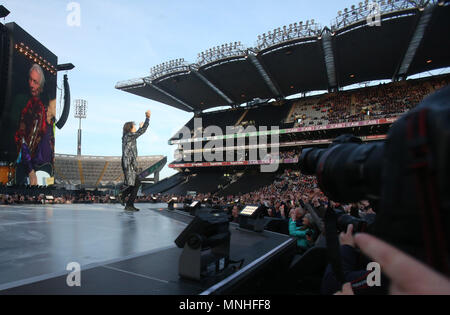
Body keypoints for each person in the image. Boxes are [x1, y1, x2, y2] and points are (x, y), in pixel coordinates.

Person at [14, 64, 54, 186]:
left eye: (35, 82)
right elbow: (22, 140)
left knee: (44, 203)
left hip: (47, 172)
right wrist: (31, 171)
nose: (31, 84)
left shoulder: (51, 124)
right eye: (30, 80)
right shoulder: (32, 109)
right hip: (32, 171)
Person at [119, 110, 151, 211]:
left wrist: (141, 128)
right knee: (136, 184)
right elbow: (141, 131)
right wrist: (147, 118)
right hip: (128, 163)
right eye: (134, 126)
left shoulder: (129, 137)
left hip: (130, 163)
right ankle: (123, 197)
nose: (136, 127)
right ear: (130, 128)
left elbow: (139, 132)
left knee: (135, 184)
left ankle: (127, 202)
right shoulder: (128, 135)